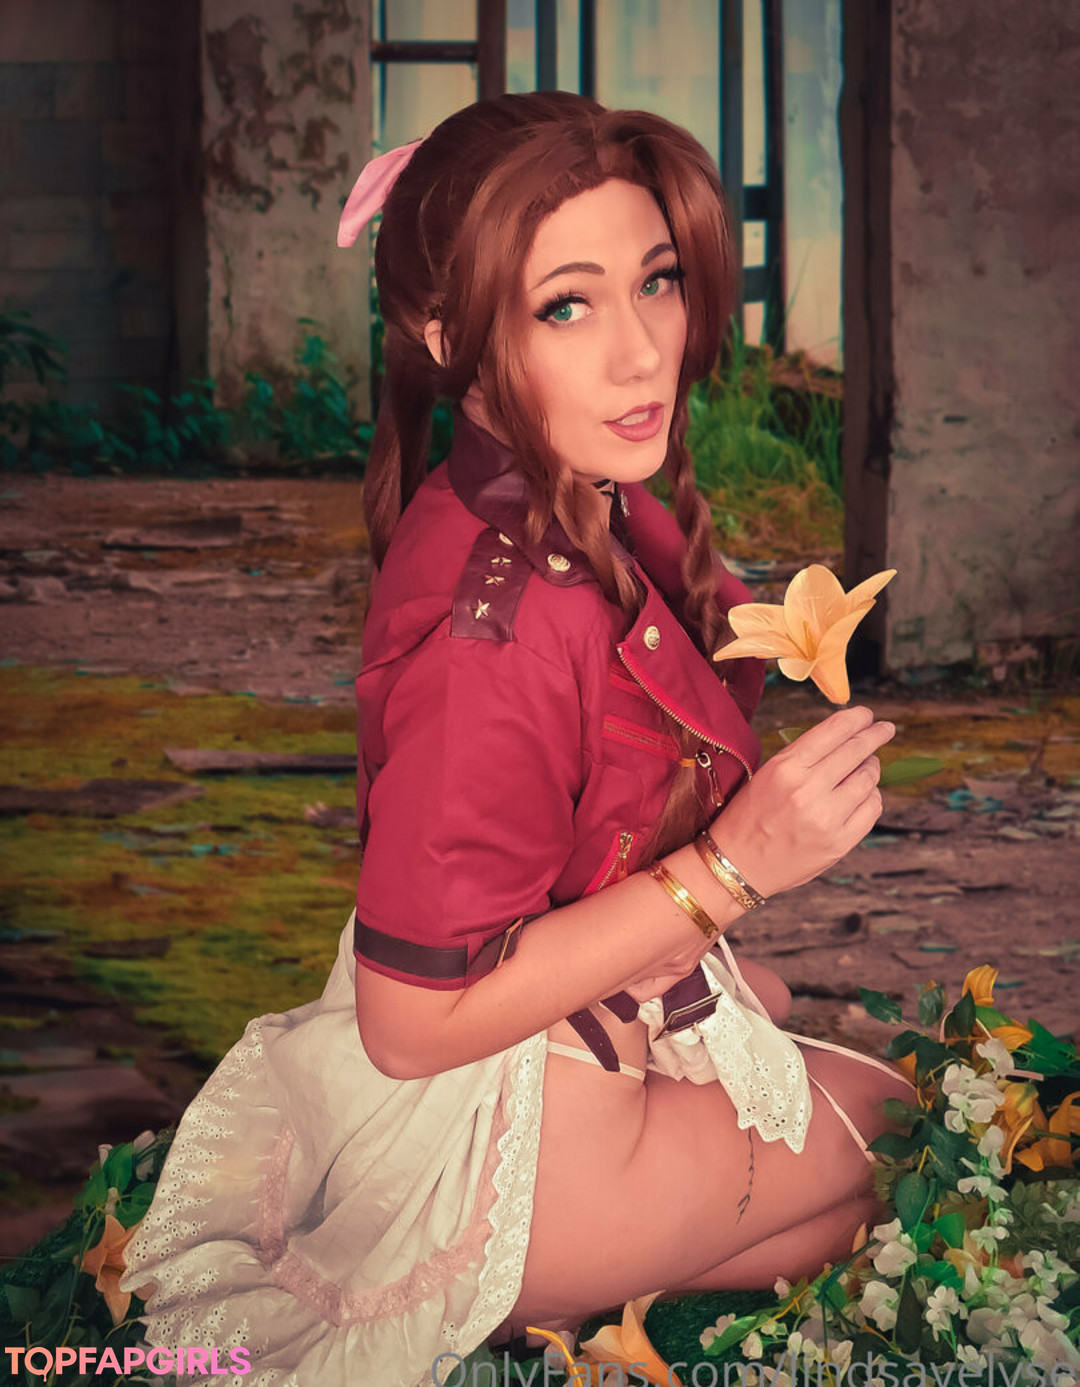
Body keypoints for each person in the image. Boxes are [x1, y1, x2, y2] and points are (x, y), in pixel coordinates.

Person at [121, 91, 913, 1386]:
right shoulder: (504, 624)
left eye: (654, 283)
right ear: (449, 335)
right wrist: (735, 869)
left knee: (777, 1027)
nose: (643, 355)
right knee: (904, 1130)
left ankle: (607, 1253)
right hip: (497, 1136)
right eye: (566, 307)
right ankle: (512, 1283)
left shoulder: (577, 500)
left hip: (551, 1037)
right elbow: (409, 1026)